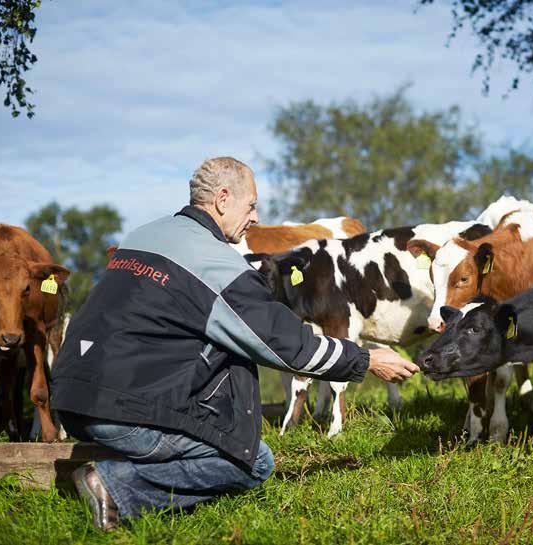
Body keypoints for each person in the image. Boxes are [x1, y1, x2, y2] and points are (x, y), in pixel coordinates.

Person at [51, 157, 419, 531]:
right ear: (224, 199)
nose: (256, 217)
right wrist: (366, 359)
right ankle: (115, 487)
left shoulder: (144, 236)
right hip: (122, 411)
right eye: (252, 204)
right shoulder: (215, 264)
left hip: (72, 399)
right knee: (251, 461)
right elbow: (284, 344)